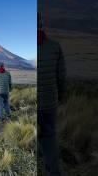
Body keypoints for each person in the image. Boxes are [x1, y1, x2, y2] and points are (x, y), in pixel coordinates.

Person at [38, 13, 66, 176]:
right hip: (49, 103)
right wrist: (60, 96)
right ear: (41, 24)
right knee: (49, 136)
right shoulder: (54, 47)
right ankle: (53, 172)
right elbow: (61, 76)